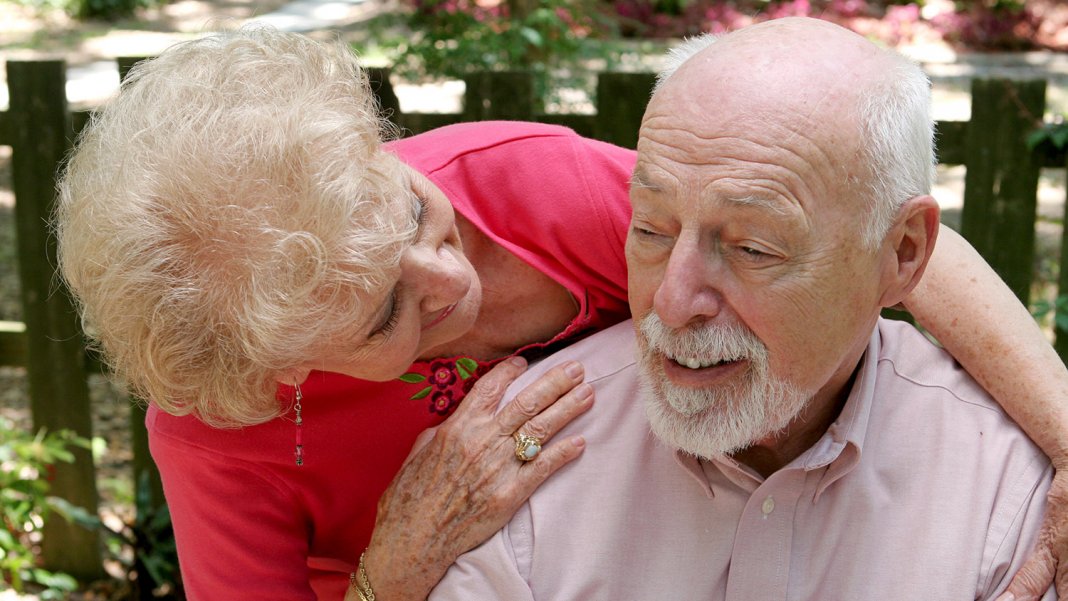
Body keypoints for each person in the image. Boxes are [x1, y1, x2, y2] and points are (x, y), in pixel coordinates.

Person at [52, 26, 1068, 601]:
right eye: (382, 315)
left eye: (414, 210)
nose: (451, 283)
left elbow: (844, 236)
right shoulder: (218, 432)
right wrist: (395, 566)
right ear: (271, 365)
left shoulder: (519, 189)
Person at [427, 18, 1060, 600]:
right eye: (650, 229)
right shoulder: (515, 463)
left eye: (753, 248)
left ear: (902, 252)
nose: (672, 305)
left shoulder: (1010, 497)